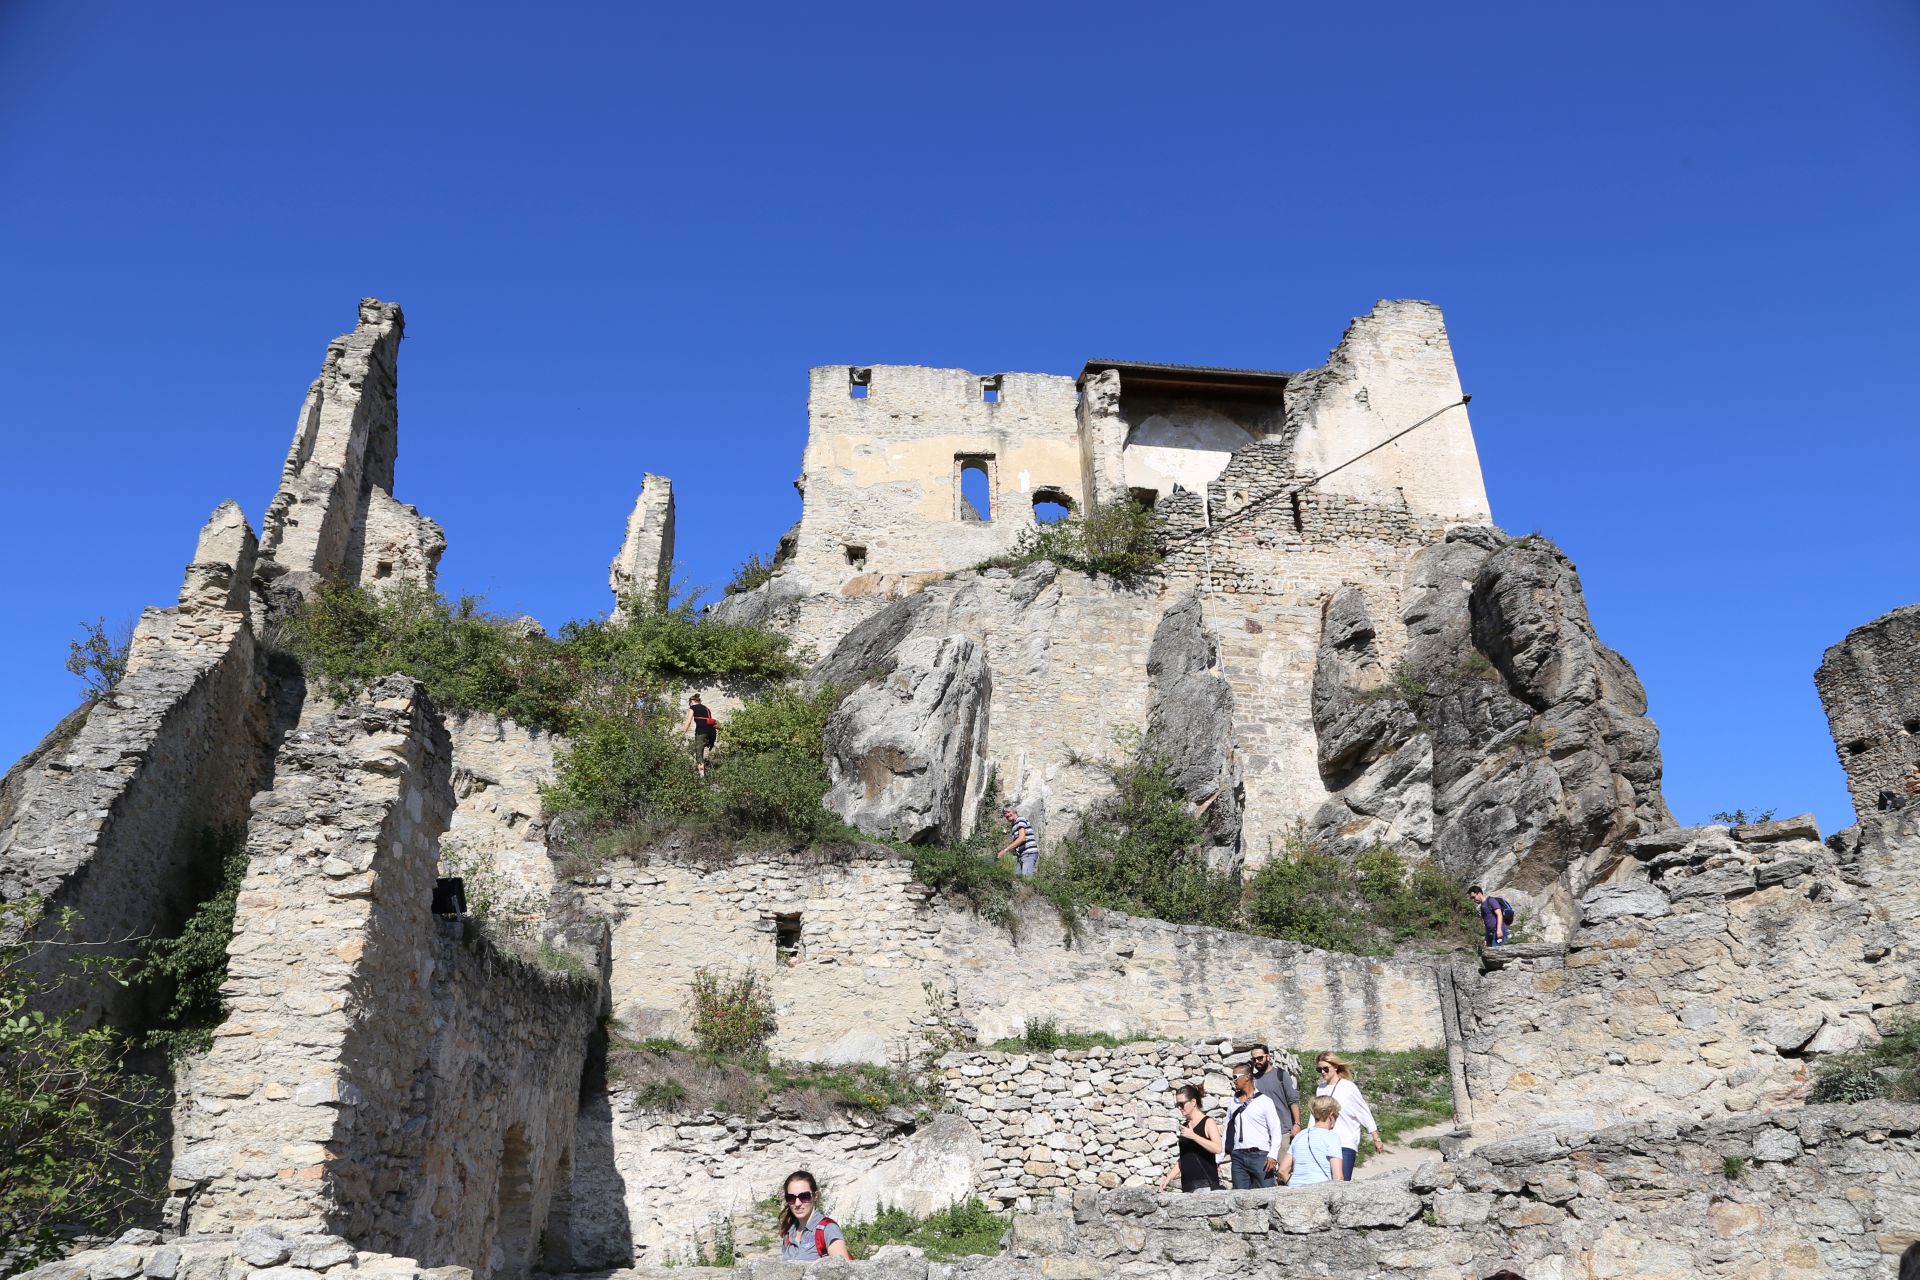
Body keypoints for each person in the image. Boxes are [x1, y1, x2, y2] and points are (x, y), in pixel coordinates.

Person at [1313, 1051, 1384, 1179]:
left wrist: (1376, 1137)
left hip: (1345, 1142)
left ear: (1335, 1067)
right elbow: (1316, 1116)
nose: (1323, 1072)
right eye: (1319, 1069)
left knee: (1342, 1183)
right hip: (1324, 1143)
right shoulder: (1320, 1089)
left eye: (1325, 1068)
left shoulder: (1348, 1087)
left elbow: (1363, 1112)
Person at [1221, 1061, 1285, 1188]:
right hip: (1238, 1155)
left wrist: (1272, 1154)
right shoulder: (1233, 1103)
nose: (1233, 1081)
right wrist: (1219, 1157)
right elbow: (1227, 1130)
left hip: (1260, 1156)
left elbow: (1275, 1130)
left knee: (1266, 1194)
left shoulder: (1265, 1101)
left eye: (1235, 1077)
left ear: (1247, 1077)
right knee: (1239, 1197)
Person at [1157, 1081, 1222, 1192]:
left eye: (1182, 1104)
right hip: (1187, 1186)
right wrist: (1168, 1179)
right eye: (1178, 1105)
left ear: (1193, 1102)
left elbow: (1217, 1148)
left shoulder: (1208, 1122)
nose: (1180, 1108)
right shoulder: (1185, 1126)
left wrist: (1194, 1136)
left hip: (1205, 1185)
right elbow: (1184, 1157)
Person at [777, 1170, 851, 1260]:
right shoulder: (789, 1234)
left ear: (815, 1196)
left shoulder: (828, 1229)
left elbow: (843, 1270)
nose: (797, 1203)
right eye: (791, 1198)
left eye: (804, 1196)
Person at [1278, 1095, 1347, 1186]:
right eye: (1337, 1115)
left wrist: (1293, 1185)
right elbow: (1338, 1177)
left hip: (1296, 1191)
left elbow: (1283, 1170)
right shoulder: (1332, 1137)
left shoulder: (1300, 1136)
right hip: (1320, 1191)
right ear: (1331, 1115)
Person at [1248, 1044, 1301, 1139]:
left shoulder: (1281, 1075)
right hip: (1262, 1134)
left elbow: (1293, 1101)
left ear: (1268, 1057)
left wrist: (1297, 1124)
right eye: (1254, 1059)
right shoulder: (1253, 1080)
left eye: (1260, 1058)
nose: (1257, 1061)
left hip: (1283, 1132)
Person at [994, 806, 1039, 877]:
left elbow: (1022, 838)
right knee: (1017, 877)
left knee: (1026, 878)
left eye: (1008, 812)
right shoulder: (1014, 825)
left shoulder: (1020, 820)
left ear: (1014, 811)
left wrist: (1005, 850)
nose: (1007, 815)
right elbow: (1017, 842)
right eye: (1005, 814)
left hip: (1028, 853)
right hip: (1021, 855)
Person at [682, 692, 719, 778]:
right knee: (702, 749)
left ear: (692, 701)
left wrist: (683, 732)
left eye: (689, 703)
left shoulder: (692, 707)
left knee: (699, 754)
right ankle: (709, 767)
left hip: (701, 732)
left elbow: (689, 721)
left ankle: (702, 777)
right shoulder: (707, 708)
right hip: (712, 733)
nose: (689, 705)